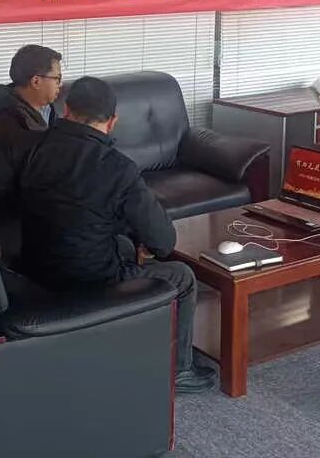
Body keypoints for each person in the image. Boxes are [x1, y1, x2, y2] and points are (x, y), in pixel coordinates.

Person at [16, 75, 216, 394]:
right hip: (90, 280)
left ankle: (129, 338)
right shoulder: (118, 168)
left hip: (35, 268)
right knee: (182, 276)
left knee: (123, 244)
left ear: (67, 110)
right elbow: (164, 243)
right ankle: (179, 371)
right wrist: (144, 238)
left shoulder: (34, 148)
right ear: (112, 122)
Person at [0, 45, 63, 251]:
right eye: (57, 78)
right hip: (19, 222)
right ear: (36, 81)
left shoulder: (46, 110)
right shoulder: (8, 128)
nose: (60, 85)